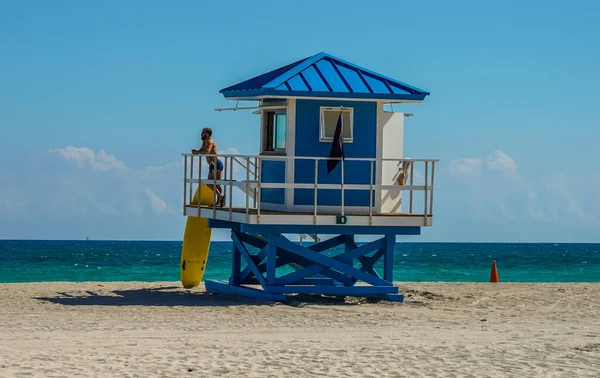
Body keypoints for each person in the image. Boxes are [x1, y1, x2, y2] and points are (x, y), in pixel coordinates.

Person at [192, 127, 225, 207]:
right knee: (209, 183)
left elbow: (207, 151)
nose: (201, 134)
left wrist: (198, 152)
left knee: (216, 184)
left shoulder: (210, 141)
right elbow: (202, 150)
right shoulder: (204, 141)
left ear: (207, 133)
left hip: (216, 163)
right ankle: (220, 197)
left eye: (203, 132)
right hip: (211, 165)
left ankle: (219, 201)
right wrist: (197, 152)